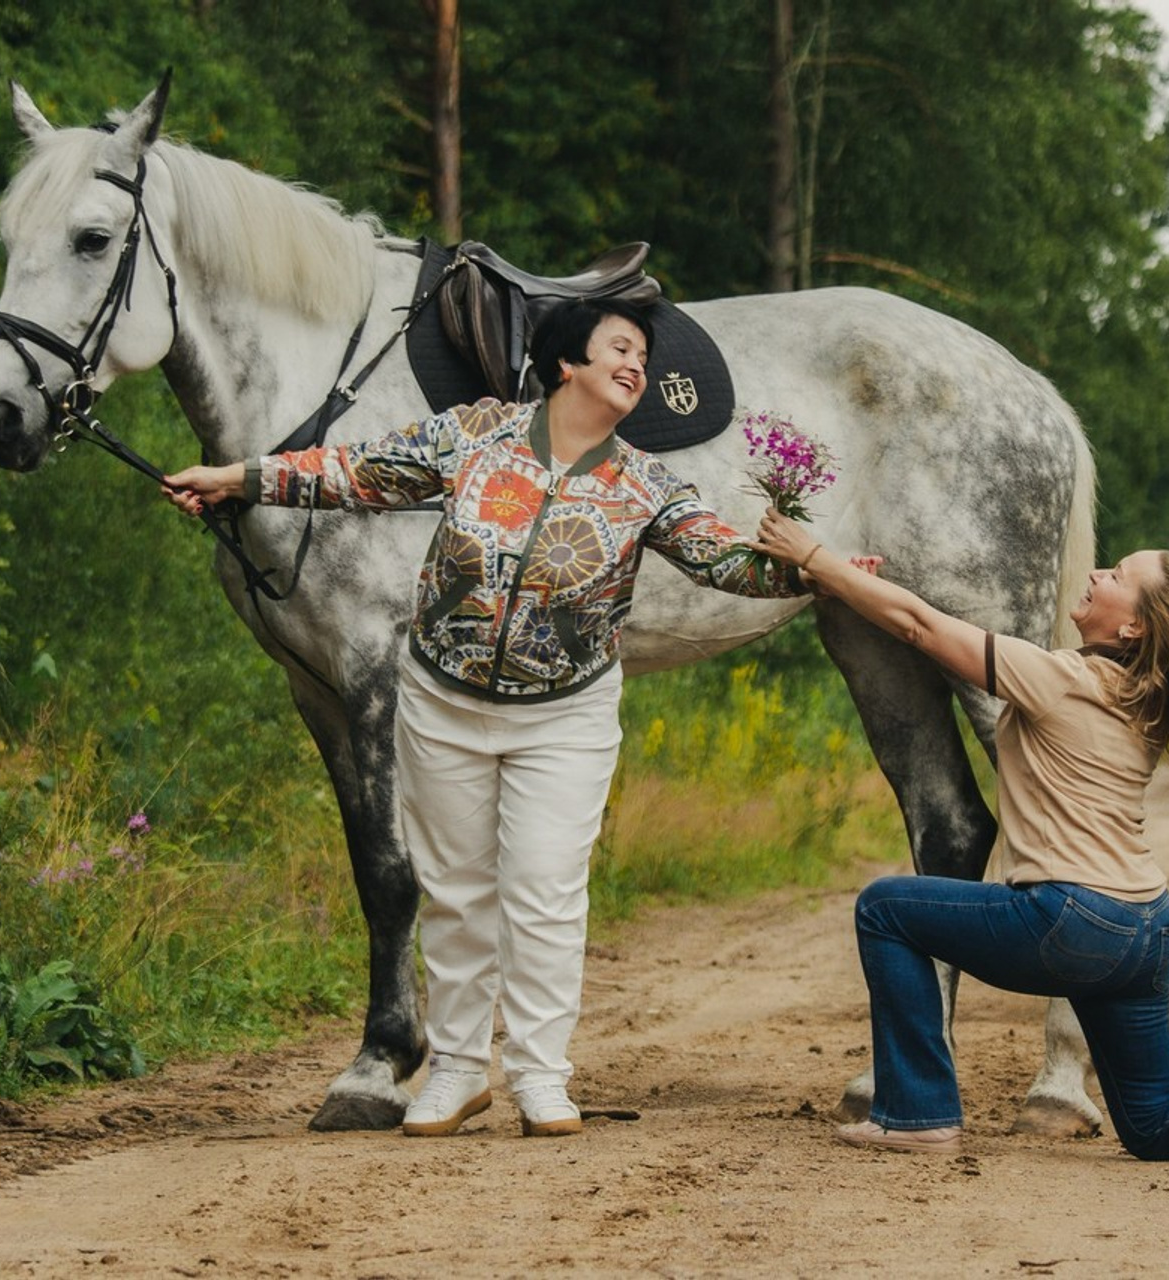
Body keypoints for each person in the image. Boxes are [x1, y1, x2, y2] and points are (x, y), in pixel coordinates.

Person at [163, 298, 810, 1138]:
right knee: (459, 894)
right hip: (444, 700)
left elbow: (727, 563)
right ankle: (460, 1074)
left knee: (543, 890)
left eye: (644, 358)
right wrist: (236, 478)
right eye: (621, 346)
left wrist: (815, 568)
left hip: (566, 715)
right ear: (566, 362)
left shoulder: (646, 482)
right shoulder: (475, 436)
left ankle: (542, 1075)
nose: (638, 364)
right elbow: (352, 473)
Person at [749, 507, 1169, 1159]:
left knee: (886, 909)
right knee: (1153, 1132)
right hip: (1147, 931)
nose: (1094, 572)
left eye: (1115, 574)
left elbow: (919, 625)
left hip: (1075, 923)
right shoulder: (1144, 701)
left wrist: (815, 557)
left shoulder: (1062, 679)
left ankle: (918, 1113)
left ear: (1135, 624)